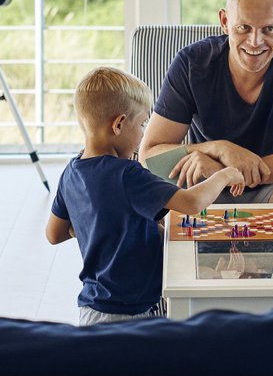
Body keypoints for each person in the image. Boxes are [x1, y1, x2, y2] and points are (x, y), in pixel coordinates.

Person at [47, 66, 242, 325]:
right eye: (141, 124)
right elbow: (192, 202)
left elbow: (54, 234)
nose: (142, 134)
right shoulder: (127, 174)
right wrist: (226, 175)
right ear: (119, 124)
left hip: (93, 309)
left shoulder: (71, 172)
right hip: (125, 315)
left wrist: (97, 225)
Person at [139, 0, 273, 204]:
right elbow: (148, 156)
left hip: (272, 185)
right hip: (207, 188)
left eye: (269, 29)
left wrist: (227, 173)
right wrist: (217, 149)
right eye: (244, 27)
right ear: (225, 22)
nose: (255, 42)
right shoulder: (191, 63)